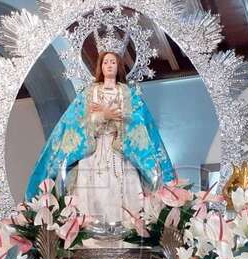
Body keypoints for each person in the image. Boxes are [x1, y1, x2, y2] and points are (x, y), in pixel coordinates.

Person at [25, 47, 175, 226]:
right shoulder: (89, 94)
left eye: (113, 62)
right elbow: (75, 123)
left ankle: (127, 232)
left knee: (122, 193)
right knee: (92, 194)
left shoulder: (129, 94)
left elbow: (140, 126)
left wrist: (117, 119)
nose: (109, 65)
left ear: (119, 66)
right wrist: (102, 116)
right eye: (105, 62)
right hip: (93, 152)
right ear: (100, 67)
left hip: (120, 152)